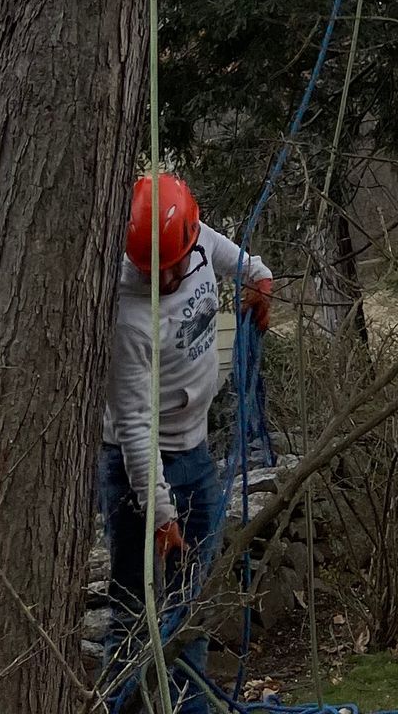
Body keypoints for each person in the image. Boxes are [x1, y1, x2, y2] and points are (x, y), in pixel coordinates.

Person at [99, 172, 273, 697]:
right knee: (135, 607)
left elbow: (233, 258)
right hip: (143, 468)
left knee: (192, 603)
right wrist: (161, 512)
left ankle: (191, 707)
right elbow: (134, 425)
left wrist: (259, 278)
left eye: (175, 263)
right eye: (157, 269)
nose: (170, 274)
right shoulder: (129, 316)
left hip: (195, 453)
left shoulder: (192, 236)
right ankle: (124, 704)